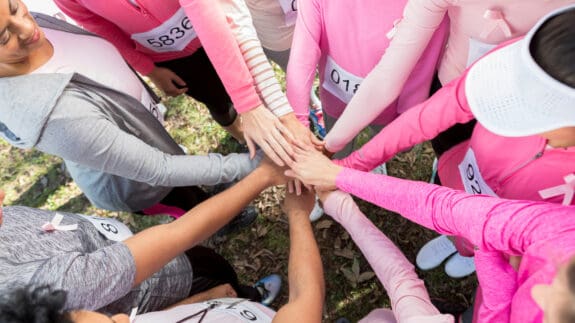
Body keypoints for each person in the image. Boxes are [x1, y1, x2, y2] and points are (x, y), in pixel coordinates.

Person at [314, 4, 575, 278]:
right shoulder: (514, 65)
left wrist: (345, 176)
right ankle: (453, 239)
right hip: (457, 175)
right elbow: (426, 118)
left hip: (501, 239)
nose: (518, 117)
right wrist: (350, 166)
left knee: (478, 245)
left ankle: (471, 252)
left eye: (534, 116)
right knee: (453, 220)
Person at [0, 6, 261, 218]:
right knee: (191, 205)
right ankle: (222, 221)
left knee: (188, 180)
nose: (25, 28)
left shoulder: (38, 27)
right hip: (139, 184)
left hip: (151, 141)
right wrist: (257, 165)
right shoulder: (53, 114)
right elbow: (159, 170)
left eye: (14, 7)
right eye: (4, 37)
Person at [0, 151, 287, 316]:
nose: (3, 195)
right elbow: (178, 234)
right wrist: (263, 176)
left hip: (149, 260)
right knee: (221, 288)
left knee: (221, 273)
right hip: (163, 290)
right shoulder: (42, 286)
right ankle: (247, 303)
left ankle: (247, 296)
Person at [53, 0, 318, 165]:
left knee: (253, 89)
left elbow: (210, 13)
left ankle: (275, 135)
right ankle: (251, 144)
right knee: (217, 101)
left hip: (217, 32)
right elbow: (100, 26)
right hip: (172, 59)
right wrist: (149, 69)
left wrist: (250, 104)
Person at [0, 188, 324, 323]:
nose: (123, 316)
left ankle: (250, 298)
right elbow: (304, 302)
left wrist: (205, 299)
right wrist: (297, 215)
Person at [323, 0, 574, 158]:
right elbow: (388, 75)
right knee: (450, 155)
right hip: (455, 91)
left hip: (546, 110)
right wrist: (332, 145)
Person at [286, 0, 447, 158]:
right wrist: (298, 124)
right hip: (335, 101)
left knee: (377, 149)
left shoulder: (428, 5)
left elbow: (423, 69)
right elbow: (302, 57)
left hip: (386, 112)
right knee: (336, 153)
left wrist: (407, 123)